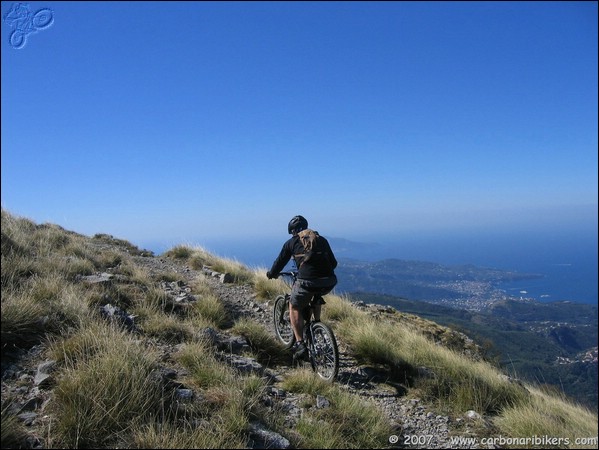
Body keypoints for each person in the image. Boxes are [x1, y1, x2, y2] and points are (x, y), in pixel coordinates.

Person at [266, 215, 338, 360]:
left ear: (293, 231)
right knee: (316, 294)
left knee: (294, 306)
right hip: (329, 281)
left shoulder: (291, 242)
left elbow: (280, 262)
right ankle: (317, 324)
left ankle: (300, 344)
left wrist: (271, 274)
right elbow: (334, 263)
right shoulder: (321, 240)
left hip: (306, 282)